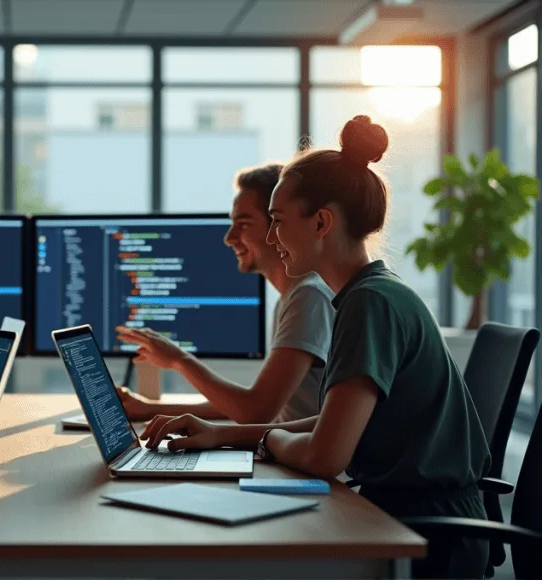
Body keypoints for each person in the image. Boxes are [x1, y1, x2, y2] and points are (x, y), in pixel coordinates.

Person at [141, 115, 491, 579]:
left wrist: (266, 439)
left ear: (322, 222)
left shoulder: (368, 303)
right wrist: (222, 433)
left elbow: (326, 456)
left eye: (279, 221)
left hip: (428, 537)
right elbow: (335, 421)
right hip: (410, 517)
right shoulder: (371, 293)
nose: (270, 238)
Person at [115, 163, 334, 424]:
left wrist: (179, 360)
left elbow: (255, 411)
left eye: (243, 223)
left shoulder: (309, 297)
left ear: (277, 225)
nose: (229, 237)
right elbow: (247, 406)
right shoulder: (293, 298)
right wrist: (150, 408)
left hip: (297, 461)